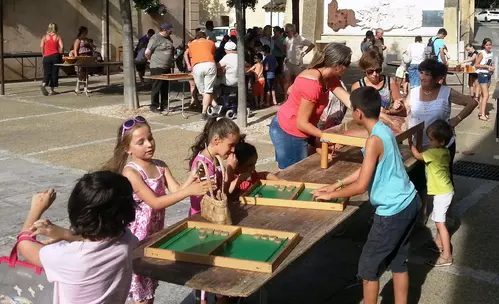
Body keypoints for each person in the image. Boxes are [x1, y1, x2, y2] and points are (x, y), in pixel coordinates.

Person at [312, 86, 420, 304]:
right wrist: (336, 184)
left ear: (358, 112)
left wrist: (331, 196)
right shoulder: (382, 130)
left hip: (393, 211)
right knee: (399, 262)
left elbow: (361, 186)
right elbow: (366, 169)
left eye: (353, 109)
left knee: (368, 268)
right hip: (410, 201)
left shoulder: (373, 141)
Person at [102, 116, 210, 304]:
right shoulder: (131, 173)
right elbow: (156, 202)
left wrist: (191, 178)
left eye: (150, 138)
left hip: (154, 235)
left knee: (149, 287)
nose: (149, 144)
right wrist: (190, 191)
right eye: (140, 142)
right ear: (128, 149)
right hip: (137, 237)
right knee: (143, 293)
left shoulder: (160, 165)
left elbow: (176, 190)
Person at [17, 172, 139, 304]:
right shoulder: (128, 241)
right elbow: (100, 241)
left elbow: (23, 245)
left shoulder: (68, 257)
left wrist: (36, 209)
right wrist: (64, 234)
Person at [406, 59, 477, 218]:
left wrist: (456, 120)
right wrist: (397, 106)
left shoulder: (446, 92)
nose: (422, 77)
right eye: (421, 72)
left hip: (441, 146)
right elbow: (405, 110)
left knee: (443, 180)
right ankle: (423, 212)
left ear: (438, 78)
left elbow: (471, 102)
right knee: (420, 180)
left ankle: (447, 216)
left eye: (428, 74)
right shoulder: (415, 91)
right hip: (418, 145)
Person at [269, 42, 352, 169]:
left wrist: (374, 112)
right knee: (294, 174)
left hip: (304, 128)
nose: (348, 68)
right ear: (337, 65)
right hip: (289, 130)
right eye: (347, 64)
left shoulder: (329, 78)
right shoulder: (312, 83)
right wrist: (325, 136)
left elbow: (348, 100)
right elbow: (301, 123)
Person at [408, 120, 454, 267]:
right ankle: (439, 244)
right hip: (446, 190)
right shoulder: (445, 151)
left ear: (441, 141)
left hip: (441, 193)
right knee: (440, 219)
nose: (429, 141)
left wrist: (411, 143)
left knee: (440, 224)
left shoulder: (432, 153)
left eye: (431, 139)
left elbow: (417, 156)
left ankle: (447, 256)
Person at [188, 117, 241, 217]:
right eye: (231, 145)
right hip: (202, 216)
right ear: (216, 140)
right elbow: (218, 196)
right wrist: (230, 171)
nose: (233, 150)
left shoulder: (214, 158)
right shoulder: (204, 165)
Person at [351, 50, 405, 116]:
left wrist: (388, 111)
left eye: (378, 70)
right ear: (364, 70)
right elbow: (355, 112)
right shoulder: (357, 86)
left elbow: (401, 107)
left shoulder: (389, 82)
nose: (375, 74)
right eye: (370, 71)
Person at [185, 31, 217, 120]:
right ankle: (213, 107)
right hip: (210, 64)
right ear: (205, 37)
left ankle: (207, 110)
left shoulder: (192, 44)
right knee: (208, 90)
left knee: (202, 90)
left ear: (196, 37)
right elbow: (213, 53)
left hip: (197, 66)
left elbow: (190, 56)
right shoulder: (211, 42)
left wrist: (189, 66)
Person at [145, 24, 175, 113]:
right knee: (156, 86)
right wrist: (150, 60)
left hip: (166, 66)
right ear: (165, 30)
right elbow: (147, 52)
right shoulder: (155, 38)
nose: (171, 32)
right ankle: (154, 106)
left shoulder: (169, 38)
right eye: (170, 30)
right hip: (157, 66)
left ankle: (164, 105)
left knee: (165, 87)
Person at [283, 23, 315, 94]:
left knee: (297, 81)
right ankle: (286, 99)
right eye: (285, 32)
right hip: (288, 63)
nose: (286, 34)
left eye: (287, 32)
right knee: (286, 81)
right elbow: (284, 46)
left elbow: (312, 45)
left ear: (292, 31)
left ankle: (297, 97)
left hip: (297, 63)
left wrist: (304, 52)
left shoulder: (300, 39)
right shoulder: (287, 39)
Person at [40, 23, 64, 96]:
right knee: (54, 73)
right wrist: (61, 54)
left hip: (46, 56)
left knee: (46, 73)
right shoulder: (57, 37)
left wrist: (43, 54)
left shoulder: (45, 37)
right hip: (55, 56)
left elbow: (41, 46)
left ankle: (43, 84)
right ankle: (52, 90)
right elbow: (62, 47)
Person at [475, 38, 495, 121]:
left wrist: (492, 69)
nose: (489, 46)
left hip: (488, 75)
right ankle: (482, 114)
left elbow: (491, 63)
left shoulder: (491, 53)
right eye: (487, 45)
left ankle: (481, 112)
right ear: (484, 45)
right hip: (482, 75)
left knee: (483, 95)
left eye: (490, 44)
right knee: (486, 95)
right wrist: (487, 66)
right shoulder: (481, 53)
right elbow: (476, 64)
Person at [72, 26, 93, 94]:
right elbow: (75, 49)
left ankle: (85, 88)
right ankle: (77, 88)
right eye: (85, 31)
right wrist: (76, 57)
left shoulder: (87, 39)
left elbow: (91, 47)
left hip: (88, 56)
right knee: (81, 73)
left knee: (86, 73)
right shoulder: (78, 40)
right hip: (81, 56)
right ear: (82, 31)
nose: (86, 32)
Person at [272, 26, 286, 97]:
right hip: (273, 57)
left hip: (279, 58)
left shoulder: (283, 39)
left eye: (275, 31)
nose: (274, 33)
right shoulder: (273, 38)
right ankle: (276, 91)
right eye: (273, 31)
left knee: (280, 75)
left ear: (278, 32)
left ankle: (283, 90)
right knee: (275, 76)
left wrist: (276, 43)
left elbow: (283, 50)